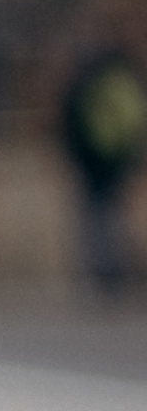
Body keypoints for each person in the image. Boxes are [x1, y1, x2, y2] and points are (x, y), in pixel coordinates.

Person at [57, 32, 144, 293]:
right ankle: (115, 268)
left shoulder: (87, 83)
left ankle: (106, 271)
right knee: (112, 213)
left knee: (97, 215)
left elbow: (71, 124)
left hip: (94, 160)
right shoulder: (124, 81)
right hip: (118, 158)